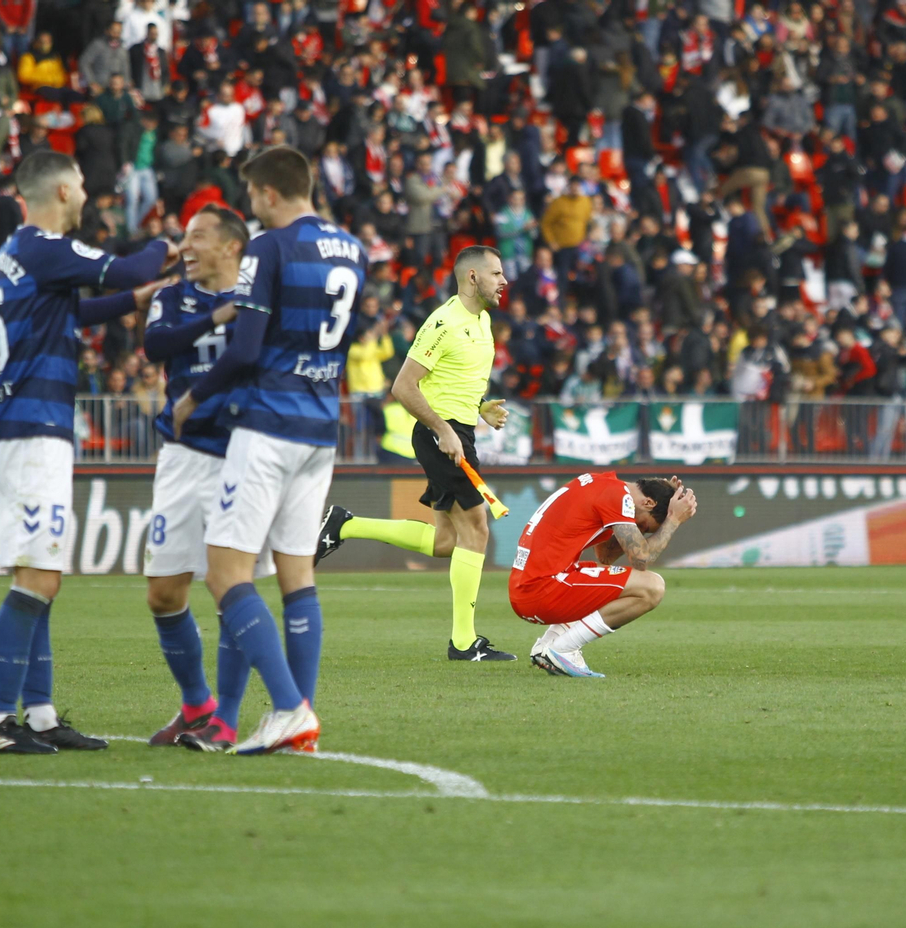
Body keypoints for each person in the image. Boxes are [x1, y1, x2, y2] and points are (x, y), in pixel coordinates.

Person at [0, 150, 175, 755]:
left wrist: (138, 301)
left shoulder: (22, 253)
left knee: (41, 575)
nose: (87, 191)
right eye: (83, 182)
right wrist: (166, 246)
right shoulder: (41, 244)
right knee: (38, 578)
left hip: (30, 424)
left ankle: (37, 715)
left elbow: (79, 310)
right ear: (62, 190)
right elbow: (122, 268)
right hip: (32, 428)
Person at [171, 145, 363, 756]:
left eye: (252, 196)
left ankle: (289, 709)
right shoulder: (352, 248)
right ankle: (296, 726)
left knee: (227, 573)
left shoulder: (269, 247)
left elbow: (247, 348)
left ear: (271, 193)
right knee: (296, 576)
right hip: (320, 425)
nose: (250, 208)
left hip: (269, 423)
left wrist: (193, 396)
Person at [314, 246, 517, 662]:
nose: (504, 281)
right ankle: (463, 643)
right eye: (496, 273)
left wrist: (481, 409)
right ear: (473, 277)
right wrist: (444, 430)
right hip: (442, 435)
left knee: (447, 541)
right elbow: (403, 386)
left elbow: (451, 382)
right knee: (476, 530)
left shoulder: (483, 321)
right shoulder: (443, 322)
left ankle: (345, 525)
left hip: (458, 431)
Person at [140, 206, 257, 753]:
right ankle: (196, 705)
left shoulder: (259, 295)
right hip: (183, 456)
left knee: (230, 587)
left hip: (241, 455)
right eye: (184, 237)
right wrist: (217, 317)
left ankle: (225, 720)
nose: (185, 246)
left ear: (232, 245)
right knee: (164, 593)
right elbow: (156, 348)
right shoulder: (171, 297)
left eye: (198, 237)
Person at [511, 472, 698, 678]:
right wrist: (673, 520)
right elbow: (641, 559)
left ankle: (548, 644)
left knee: (611, 581)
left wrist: (665, 493)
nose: (639, 531)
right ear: (647, 502)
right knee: (652, 587)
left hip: (531, 585)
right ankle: (563, 649)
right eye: (644, 526)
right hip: (541, 590)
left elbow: (606, 555)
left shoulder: (604, 484)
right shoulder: (618, 496)